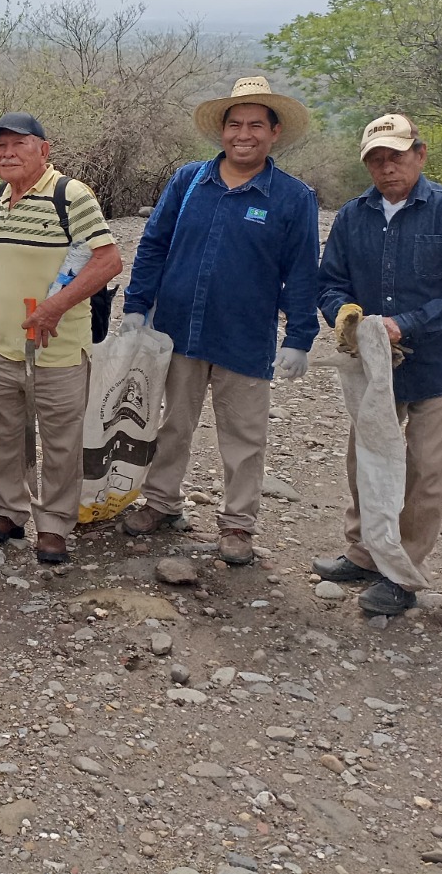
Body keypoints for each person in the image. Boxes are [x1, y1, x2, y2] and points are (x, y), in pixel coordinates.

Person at [119, 75, 320, 566]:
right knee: (172, 425)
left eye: (256, 125)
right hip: (179, 329)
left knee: (244, 436)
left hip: (245, 335)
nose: (243, 134)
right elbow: (154, 245)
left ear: (274, 133)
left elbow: (301, 271)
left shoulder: (293, 198)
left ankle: (237, 524)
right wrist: (136, 305)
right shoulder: (189, 182)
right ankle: (162, 503)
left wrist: (299, 337)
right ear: (222, 131)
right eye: (235, 124)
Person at [313, 113, 442, 615]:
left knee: (424, 472)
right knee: (366, 458)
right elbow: (329, 282)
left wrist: (406, 324)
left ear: (419, 154)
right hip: (375, 367)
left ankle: (403, 572)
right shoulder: (353, 217)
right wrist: (344, 315)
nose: (386, 167)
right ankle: (364, 551)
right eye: (376, 159)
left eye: (396, 156)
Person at [0, 111, 122, 563]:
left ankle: (53, 524)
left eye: (19, 144)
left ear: (44, 150)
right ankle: (10, 511)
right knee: (3, 433)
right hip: (2, 346)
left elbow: (108, 261)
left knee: (60, 442)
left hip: (58, 350)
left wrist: (54, 307)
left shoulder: (68, 195)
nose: (7, 154)